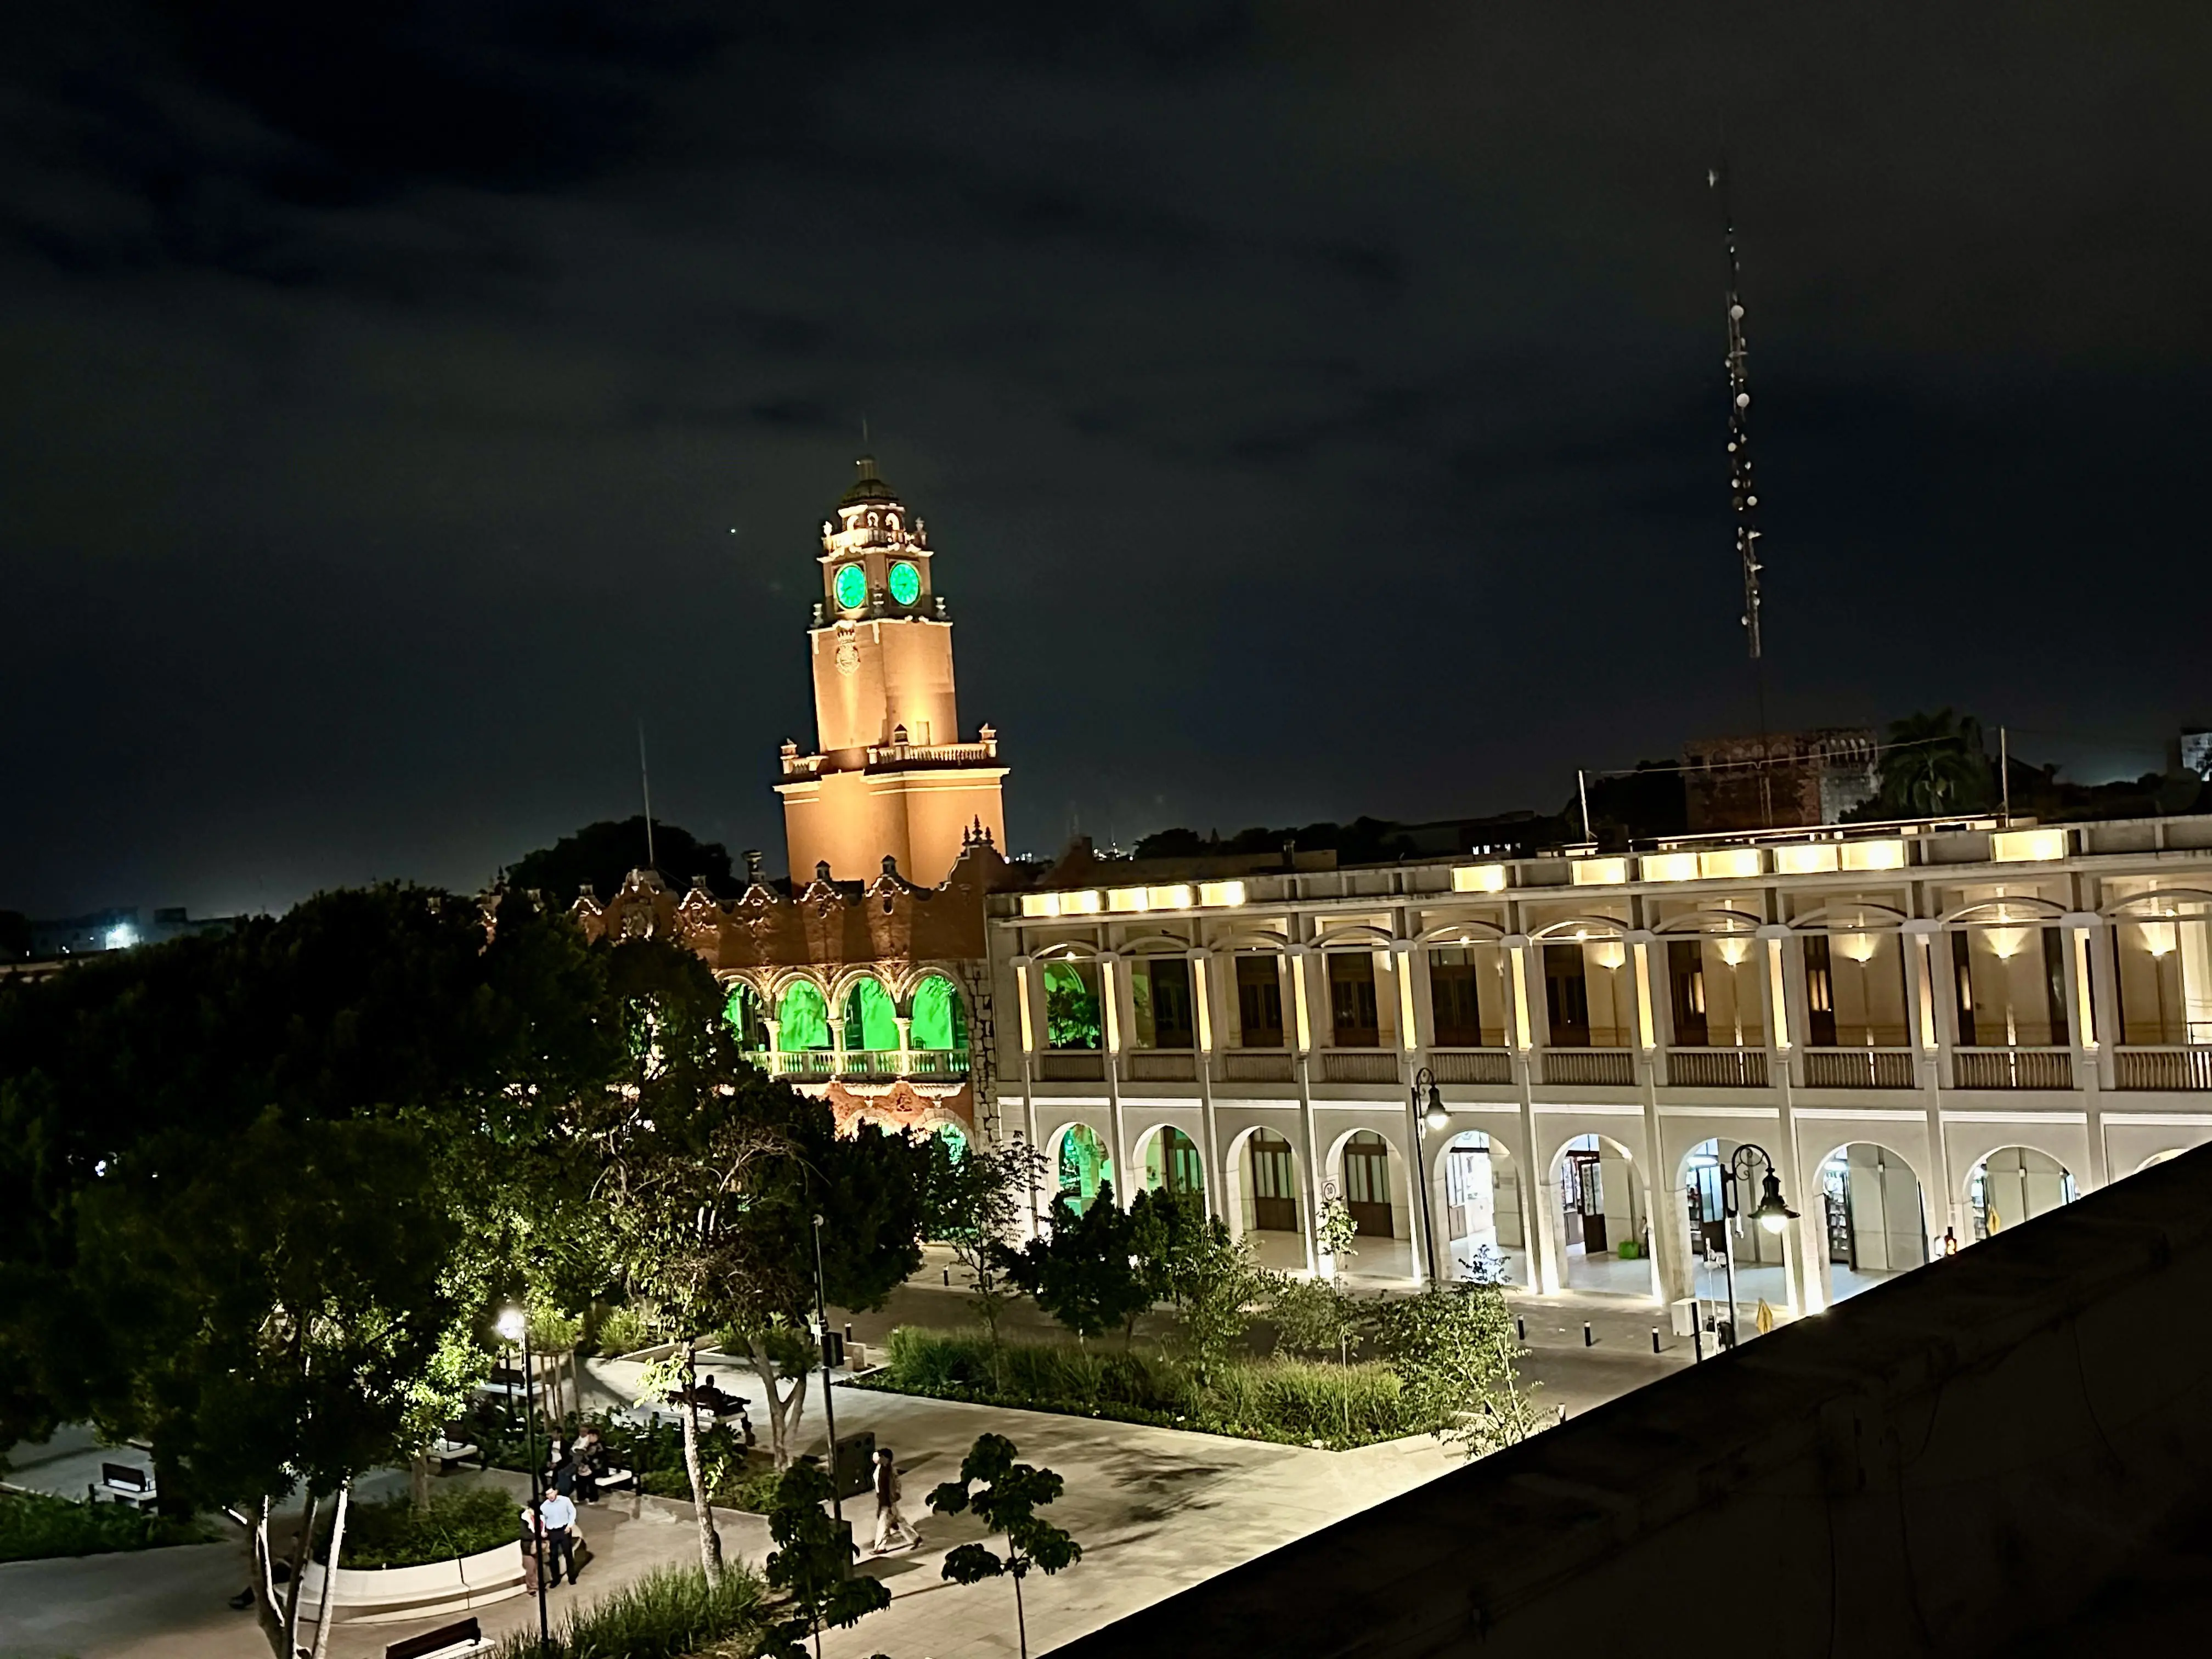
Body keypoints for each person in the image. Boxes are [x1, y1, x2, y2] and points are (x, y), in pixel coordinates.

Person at [869, 1447, 921, 1556]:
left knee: (882, 1524)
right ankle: (915, 1538)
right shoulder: (882, 1469)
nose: (879, 1458)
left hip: (887, 1502)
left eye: (881, 1456)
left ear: (886, 1458)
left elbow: (892, 1485)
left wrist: (893, 1497)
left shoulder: (888, 1471)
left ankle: (880, 1547)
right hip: (886, 1501)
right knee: (898, 1521)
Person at [539, 1488, 579, 1587]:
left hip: (564, 1530)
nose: (551, 1496)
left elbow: (572, 1512)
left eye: (552, 1493)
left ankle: (572, 1577)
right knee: (553, 1557)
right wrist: (543, 1531)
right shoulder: (544, 1506)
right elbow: (542, 1520)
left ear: (556, 1492)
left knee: (568, 1554)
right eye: (548, 1494)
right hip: (552, 1533)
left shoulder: (565, 1500)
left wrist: (570, 1525)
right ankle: (555, 1579)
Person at [575, 1427, 608, 1503]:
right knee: (579, 1475)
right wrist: (582, 1466)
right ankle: (581, 1497)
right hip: (590, 1466)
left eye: (590, 1436)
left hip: (600, 1469)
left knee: (590, 1476)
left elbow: (599, 1460)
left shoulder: (600, 1445)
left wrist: (589, 1466)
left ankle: (593, 1498)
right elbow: (584, 1456)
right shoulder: (589, 1445)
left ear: (594, 1436)